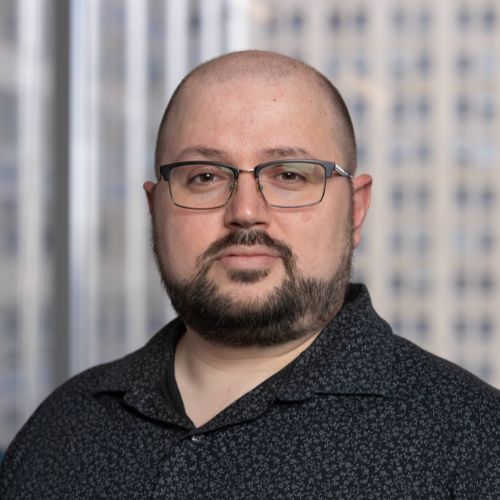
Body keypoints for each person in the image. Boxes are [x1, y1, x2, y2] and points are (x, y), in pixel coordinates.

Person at [1, 50, 499, 499]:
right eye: (204, 176)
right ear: (156, 210)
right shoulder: (59, 428)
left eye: (289, 175)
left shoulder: (476, 443)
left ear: (356, 210)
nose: (245, 212)